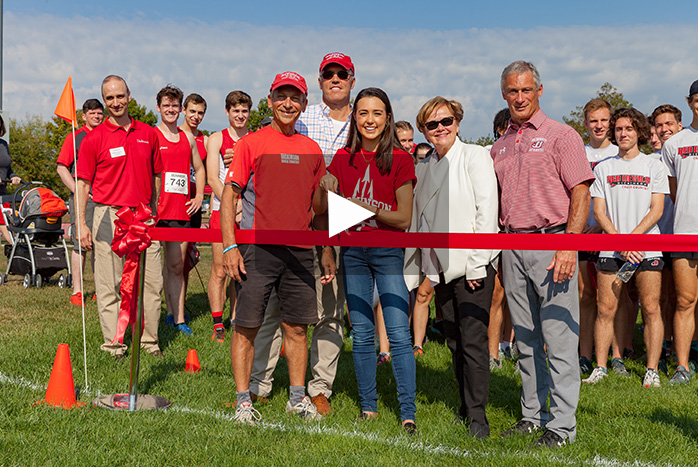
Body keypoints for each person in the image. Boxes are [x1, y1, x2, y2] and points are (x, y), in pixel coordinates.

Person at [492, 61, 593, 448]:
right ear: (504, 94)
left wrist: (569, 243)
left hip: (552, 243)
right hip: (511, 246)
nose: (520, 97)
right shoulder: (500, 144)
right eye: (512, 91)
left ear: (539, 90)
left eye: (526, 90)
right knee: (526, 339)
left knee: (559, 338)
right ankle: (532, 416)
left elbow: (581, 191)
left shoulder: (561, 135)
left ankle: (563, 425)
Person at [221, 71, 331, 425]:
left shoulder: (312, 149)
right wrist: (229, 247)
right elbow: (229, 196)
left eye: (295, 98)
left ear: (303, 103)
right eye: (281, 97)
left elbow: (318, 208)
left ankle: (297, 399)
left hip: (300, 250)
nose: (288, 104)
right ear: (270, 101)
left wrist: (325, 248)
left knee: (298, 329)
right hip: (257, 248)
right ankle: (242, 402)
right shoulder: (251, 143)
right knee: (246, 327)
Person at [249, 52, 354, 415]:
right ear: (320, 82)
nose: (335, 79)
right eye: (329, 74)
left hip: (343, 224)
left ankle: (319, 386)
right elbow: (264, 148)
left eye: (342, 73)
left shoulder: (365, 120)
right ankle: (260, 384)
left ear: (352, 80)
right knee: (272, 310)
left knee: (329, 309)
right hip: (297, 224)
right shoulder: (300, 115)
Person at [314, 87, 417, 433]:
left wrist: (368, 208)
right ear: (354, 118)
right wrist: (324, 187)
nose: (369, 120)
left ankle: (407, 410)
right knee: (361, 333)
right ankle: (368, 407)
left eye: (377, 113)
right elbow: (321, 212)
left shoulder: (401, 159)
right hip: (353, 252)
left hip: (388, 251)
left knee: (400, 333)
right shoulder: (343, 159)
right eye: (362, 113)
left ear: (387, 118)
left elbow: (403, 218)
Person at [405, 96, 499, 437]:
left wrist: (477, 265)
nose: (441, 128)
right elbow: (422, 220)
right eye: (433, 124)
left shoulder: (475, 155)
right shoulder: (425, 166)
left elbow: (486, 213)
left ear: (458, 122)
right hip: (441, 268)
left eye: (446, 121)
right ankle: (464, 405)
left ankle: (478, 417)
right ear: (424, 131)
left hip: (473, 266)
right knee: (454, 341)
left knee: (473, 342)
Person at [76, 75, 164, 359]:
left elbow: (157, 174)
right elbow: (83, 184)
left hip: (142, 218)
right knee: (109, 284)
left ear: (129, 96)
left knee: (151, 284)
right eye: (110, 98)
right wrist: (81, 222)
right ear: (104, 101)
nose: (116, 102)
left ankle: (149, 343)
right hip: (107, 216)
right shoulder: (94, 139)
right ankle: (114, 345)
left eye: (120, 96)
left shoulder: (149, 133)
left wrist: (155, 207)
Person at [584, 108, 668, 388]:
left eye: (629, 129)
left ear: (639, 132)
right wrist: (621, 242)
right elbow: (599, 212)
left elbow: (656, 210)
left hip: (647, 248)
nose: (623, 134)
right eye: (619, 129)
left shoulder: (653, 165)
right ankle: (600, 367)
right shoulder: (605, 168)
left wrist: (632, 240)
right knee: (605, 308)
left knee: (652, 308)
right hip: (612, 249)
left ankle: (652, 370)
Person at [154, 85, 205, 335]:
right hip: (155, 214)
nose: (171, 110)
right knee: (152, 271)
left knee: (177, 266)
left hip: (180, 213)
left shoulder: (188, 138)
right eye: (167, 106)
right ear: (159, 108)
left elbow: (201, 168)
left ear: (181, 108)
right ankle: (152, 317)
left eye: (175, 106)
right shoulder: (153, 135)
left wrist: (198, 196)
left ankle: (178, 318)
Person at [206, 91, 252, 342]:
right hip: (220, 208)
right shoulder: (216, 139)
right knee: (219, 269)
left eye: (244, 111)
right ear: (227, 112)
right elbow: (213, 177)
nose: (240, 115)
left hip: (247, 209)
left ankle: (236, 318)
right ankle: (217, 323)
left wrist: (242, 205)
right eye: (235, 111)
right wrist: (229, 204)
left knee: (241, 269)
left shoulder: (255, 139)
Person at [661, 79, 698, 384]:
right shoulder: (674, 144)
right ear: (689, 103)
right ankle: (682, 367)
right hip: (685, 231)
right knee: (685, 300)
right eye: (697, 98)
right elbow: (674, 191)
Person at [578, 98, 618, 374]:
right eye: (594, 120)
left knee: (616, 298)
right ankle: (584, 354)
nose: (599, 126)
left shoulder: (619, 152)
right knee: (585, 295)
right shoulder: (579, 153)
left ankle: (617, 354)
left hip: (610, 233)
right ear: (586, 123)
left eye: (604, 120)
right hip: (582, 233)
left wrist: (605, 226)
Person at [56, 99, 104, 305]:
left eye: (99, 113)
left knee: (102, 246)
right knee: (80, 244)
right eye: (92, 113)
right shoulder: (75, 137)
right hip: (84, 199)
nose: (97, 116)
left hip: (106, 198)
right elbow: (61, 167)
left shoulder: (108, 135)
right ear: (84, 116)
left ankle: (101, 291)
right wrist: (78, 190)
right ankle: (77, 291)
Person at [650, 104, 682, 373]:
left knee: (681, 297)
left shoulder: (685, 152)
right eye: (659, 125)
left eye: (669, 124)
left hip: (682, 233)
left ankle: (680, 346)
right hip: (659, 237)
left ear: (678, 126)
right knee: (661, 298)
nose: (664, 129)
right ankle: (662, 347)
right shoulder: (651, 161)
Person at [179, 93, 209, 230]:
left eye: (200, 113)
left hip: (195, 202)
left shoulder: (206, 140)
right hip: (174, 199)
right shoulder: (174, 134)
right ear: (183, 110)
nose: (196, 117)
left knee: (191, 246)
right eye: (192, 111)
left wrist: (199, 197)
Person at [0, 114, 22, 244]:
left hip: (2, 193)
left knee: (12, 220)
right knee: (3, 223)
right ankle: (16, 250)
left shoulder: (3, 144)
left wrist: (13, 176)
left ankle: (16, 253)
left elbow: (7, 167)